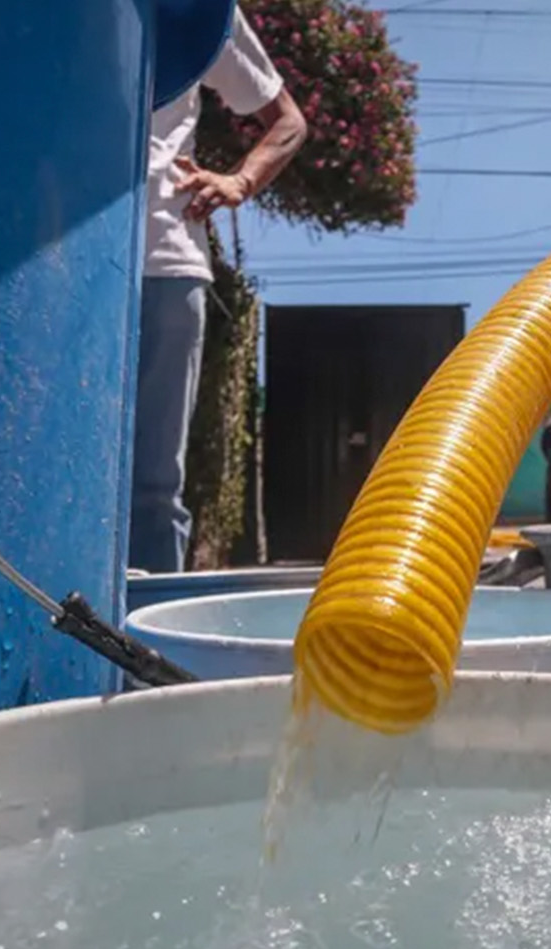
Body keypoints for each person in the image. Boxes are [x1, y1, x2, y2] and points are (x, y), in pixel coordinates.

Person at [130, 7, 307, 573]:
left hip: (163, 263)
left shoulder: (196, 9)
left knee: (153, 486)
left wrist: (241, 180)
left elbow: (288, 121)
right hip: (57, 257)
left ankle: (142, 626)